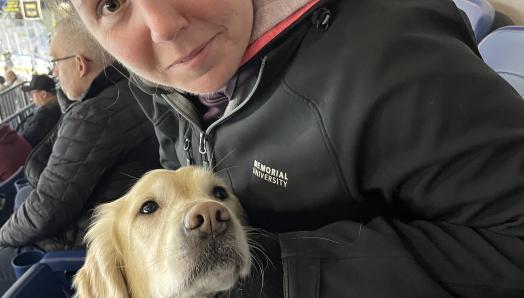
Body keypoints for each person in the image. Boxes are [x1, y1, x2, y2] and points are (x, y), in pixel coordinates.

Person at [70, 0, 524, 297]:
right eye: (110, 4)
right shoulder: (160, 83)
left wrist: (280, 276)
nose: (163, 26)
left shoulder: (388, 55)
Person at [0, 17, 160, 293]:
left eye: (56, 64)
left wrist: (1, 235)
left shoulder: (93, 116)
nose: (55, 75)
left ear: (80, 64)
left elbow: (45, 210)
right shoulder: (133, 88)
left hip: (88, 244)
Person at [18, 74, 62, 147]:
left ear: (44, 94)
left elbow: (26, 140)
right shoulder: (59, 105)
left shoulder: (46, 114)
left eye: (32, 94)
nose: (31, 98)